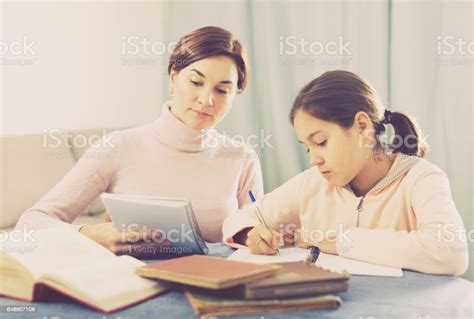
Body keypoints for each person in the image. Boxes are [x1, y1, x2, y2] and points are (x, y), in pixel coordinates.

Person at [16, 26, 263, 256]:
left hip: (215, 286)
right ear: (173, 77)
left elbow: (252, 231)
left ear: (235, 96)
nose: (206, 99)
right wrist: (89, 233)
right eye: (196, 82)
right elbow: (32, 222)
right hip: (133, 284)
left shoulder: (241, 158)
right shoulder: (118, 147)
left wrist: (256, 236)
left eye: (222, 90)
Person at [223, 70, 468, 276]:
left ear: (362, 126)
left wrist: (341, 242)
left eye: (321, 142)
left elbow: (450, 252)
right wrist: (250, 234)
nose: (314, 160)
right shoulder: (313, 183)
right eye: (307, 147)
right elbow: (238, 219)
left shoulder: (421, 179)